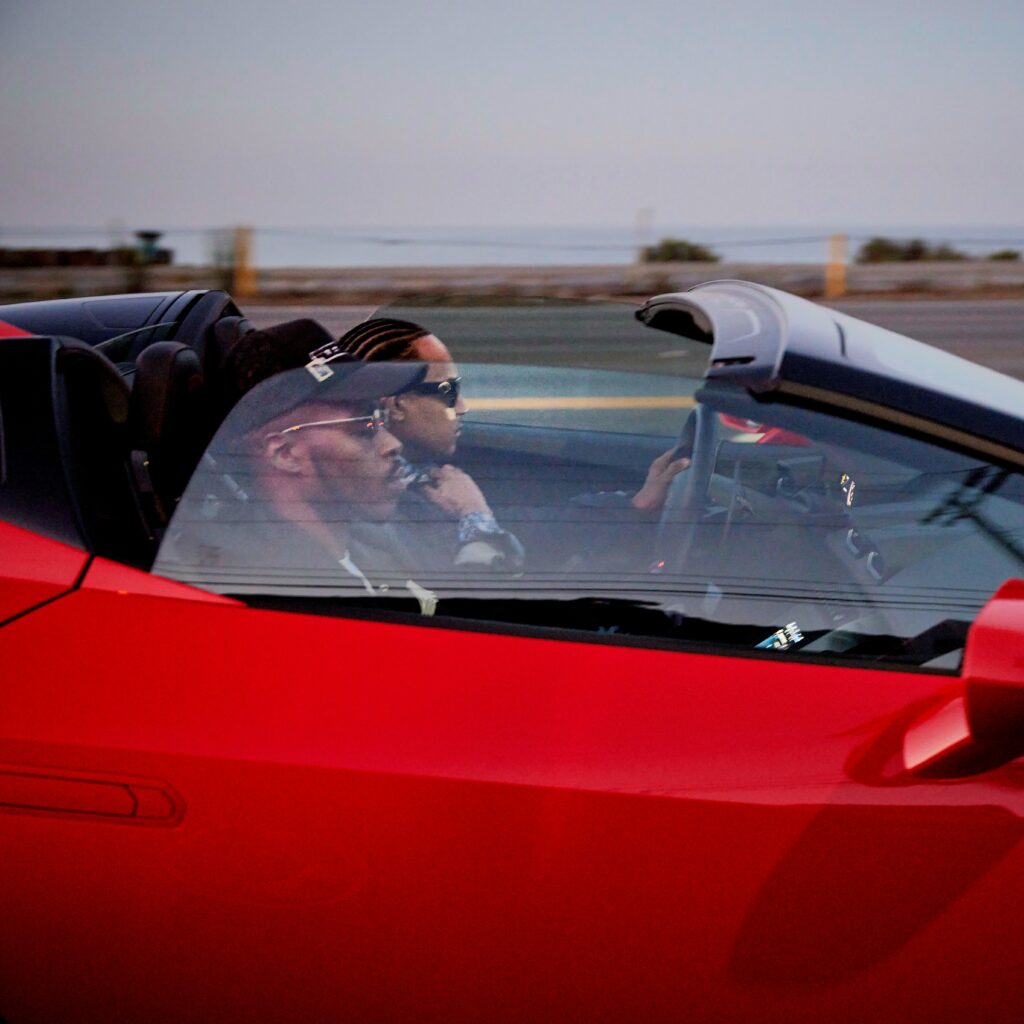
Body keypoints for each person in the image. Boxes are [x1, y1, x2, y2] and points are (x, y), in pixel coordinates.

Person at [339, 318, 524, 569]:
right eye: (449, 391)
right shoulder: (377, 503)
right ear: (397, 405)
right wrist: (475, 517)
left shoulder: (418, 479)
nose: (463, 407)